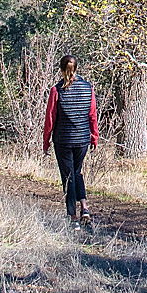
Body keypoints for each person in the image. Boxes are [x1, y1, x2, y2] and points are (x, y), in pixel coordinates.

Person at [41, 54, 100, 225]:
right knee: (76, 172)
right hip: (82, 139)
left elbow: (50, 119)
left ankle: (72, 216)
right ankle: (85, 207)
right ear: (76, 68)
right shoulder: (88, 88)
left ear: (60, 69)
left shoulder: (56, 90)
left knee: (67, 176)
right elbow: (92, 116)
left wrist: (46, 141)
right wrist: (94, 137)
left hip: (63, 140)